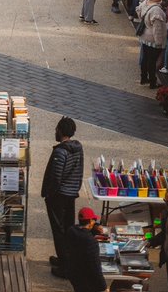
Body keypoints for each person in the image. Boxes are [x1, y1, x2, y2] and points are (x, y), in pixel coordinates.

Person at [41, 115, 84, 278]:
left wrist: (49, 194)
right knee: (67, 228)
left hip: (58, 196)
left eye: (56, 129)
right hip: (71, 193)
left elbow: (56, 177)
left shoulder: (60, 152)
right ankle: (65, 259)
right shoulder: (78, 148)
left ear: (60, 130)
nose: (55, 131)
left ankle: (65, 266)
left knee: (58, 231)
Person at [64, 206, 106, 291]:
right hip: (87, 279)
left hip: (74, 274)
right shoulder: (90, 242)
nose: (95, 221)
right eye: (94, 220)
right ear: (90, 221)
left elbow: (82, 230)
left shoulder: (71, 230)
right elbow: (95, 267)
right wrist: (103, 287)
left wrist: (95, 227)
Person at [136, 0, 167, 89]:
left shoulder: (145, 3)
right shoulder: (156, 10)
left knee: (145, 58)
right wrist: (160, 43)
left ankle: (143, 77)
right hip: (153, 39)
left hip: (144, 36)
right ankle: (152, 82)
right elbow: (157, 29)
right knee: (152, 61)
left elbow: (139, 13)